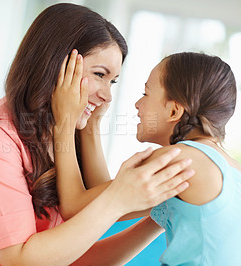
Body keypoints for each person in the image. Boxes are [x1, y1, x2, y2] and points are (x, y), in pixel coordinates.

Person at [0, 3, 193, 265]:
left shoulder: (61, 138)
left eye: (113, 81)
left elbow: (71, 256)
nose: (107, 95)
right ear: (53, 67)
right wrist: (118, 199)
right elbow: (21, 260)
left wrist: (158, 219)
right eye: (99, 74)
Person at [54, 51, 240, 265]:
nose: (137, 105)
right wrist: (92, 123)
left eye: (145, 94)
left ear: (173, 111)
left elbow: (76, 205)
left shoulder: (180, 160)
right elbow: (105, 197)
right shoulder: (226, 168)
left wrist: (65, 121)